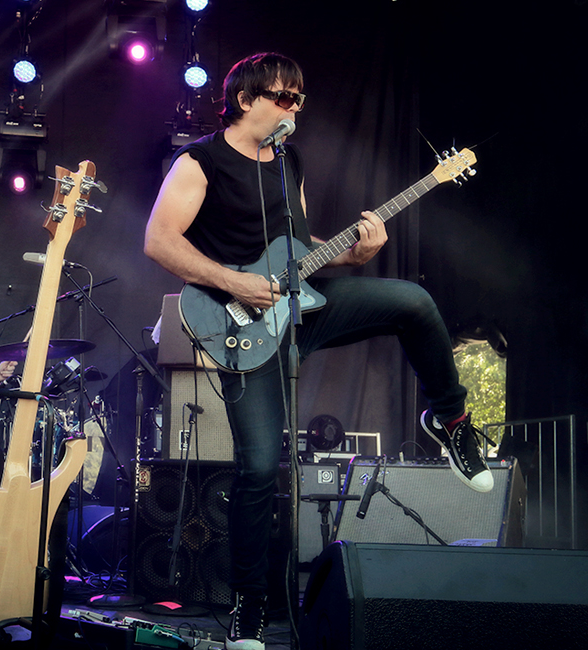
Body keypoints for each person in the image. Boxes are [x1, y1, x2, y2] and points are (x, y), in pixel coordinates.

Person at [143, 52, 492, 650]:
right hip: (242, 325)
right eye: (284, 97)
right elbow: (158, 242)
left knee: (413, 302)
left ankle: (450, 419)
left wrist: (352, 253)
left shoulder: (288, 161)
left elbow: (298, 250)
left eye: (301, 98)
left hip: (301, 307)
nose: (296, 107)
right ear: (247, 98)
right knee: (257, 470)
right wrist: (236, 283)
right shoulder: (198, 162)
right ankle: (248, 609)